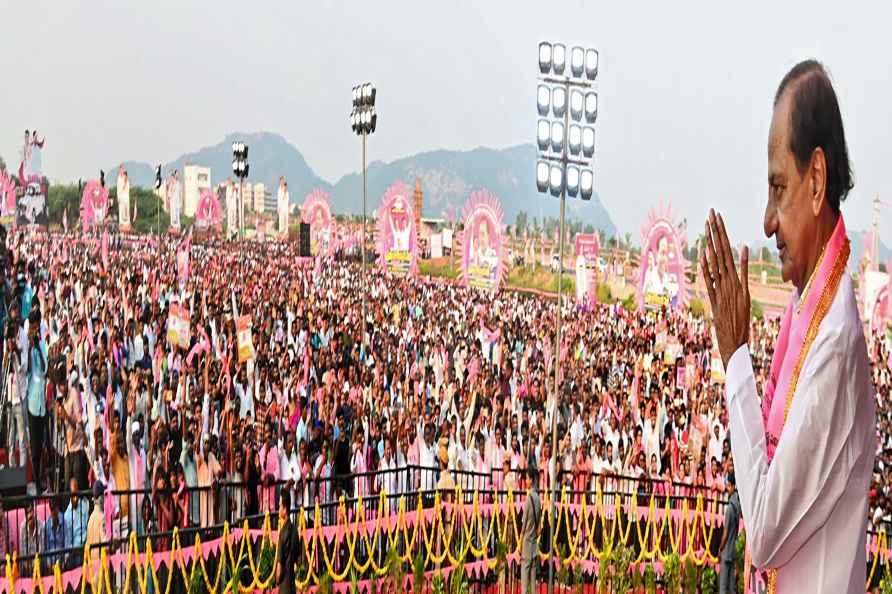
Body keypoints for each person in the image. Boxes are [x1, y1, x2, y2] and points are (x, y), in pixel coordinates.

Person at [701, 60, 874, 594]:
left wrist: (735, 361)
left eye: (779, 188)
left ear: (816, 180)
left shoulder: (835, 343)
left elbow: (767, 534)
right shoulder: (806, 314)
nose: (768, 220)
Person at [520, 464, 541, 594]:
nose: (526, 481)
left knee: (524, 584)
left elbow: (523, 525)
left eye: (527, 478)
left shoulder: (529, 500)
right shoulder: (538, 498)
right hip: (534, 545)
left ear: (531, 480)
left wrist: (519, 543)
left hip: (527, 543)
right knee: (533, 584)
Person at [719, 473, 741, 594]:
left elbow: (725, 532)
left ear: (732, 486)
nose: (727, 488)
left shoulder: (729, 509)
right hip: (733, 551)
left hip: (726, 551)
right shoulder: (737, 506)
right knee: (732, 587)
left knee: (723, 587)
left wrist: (720, 548)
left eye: (728, 485)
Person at [275, 489, 297, 594]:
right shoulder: (295, 530)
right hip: (292, 584)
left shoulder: (282, 532)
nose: (278, 509)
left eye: (280, 506)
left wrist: (277, 580)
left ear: (285, 509)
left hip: (284, 586)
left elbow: (280, 564)